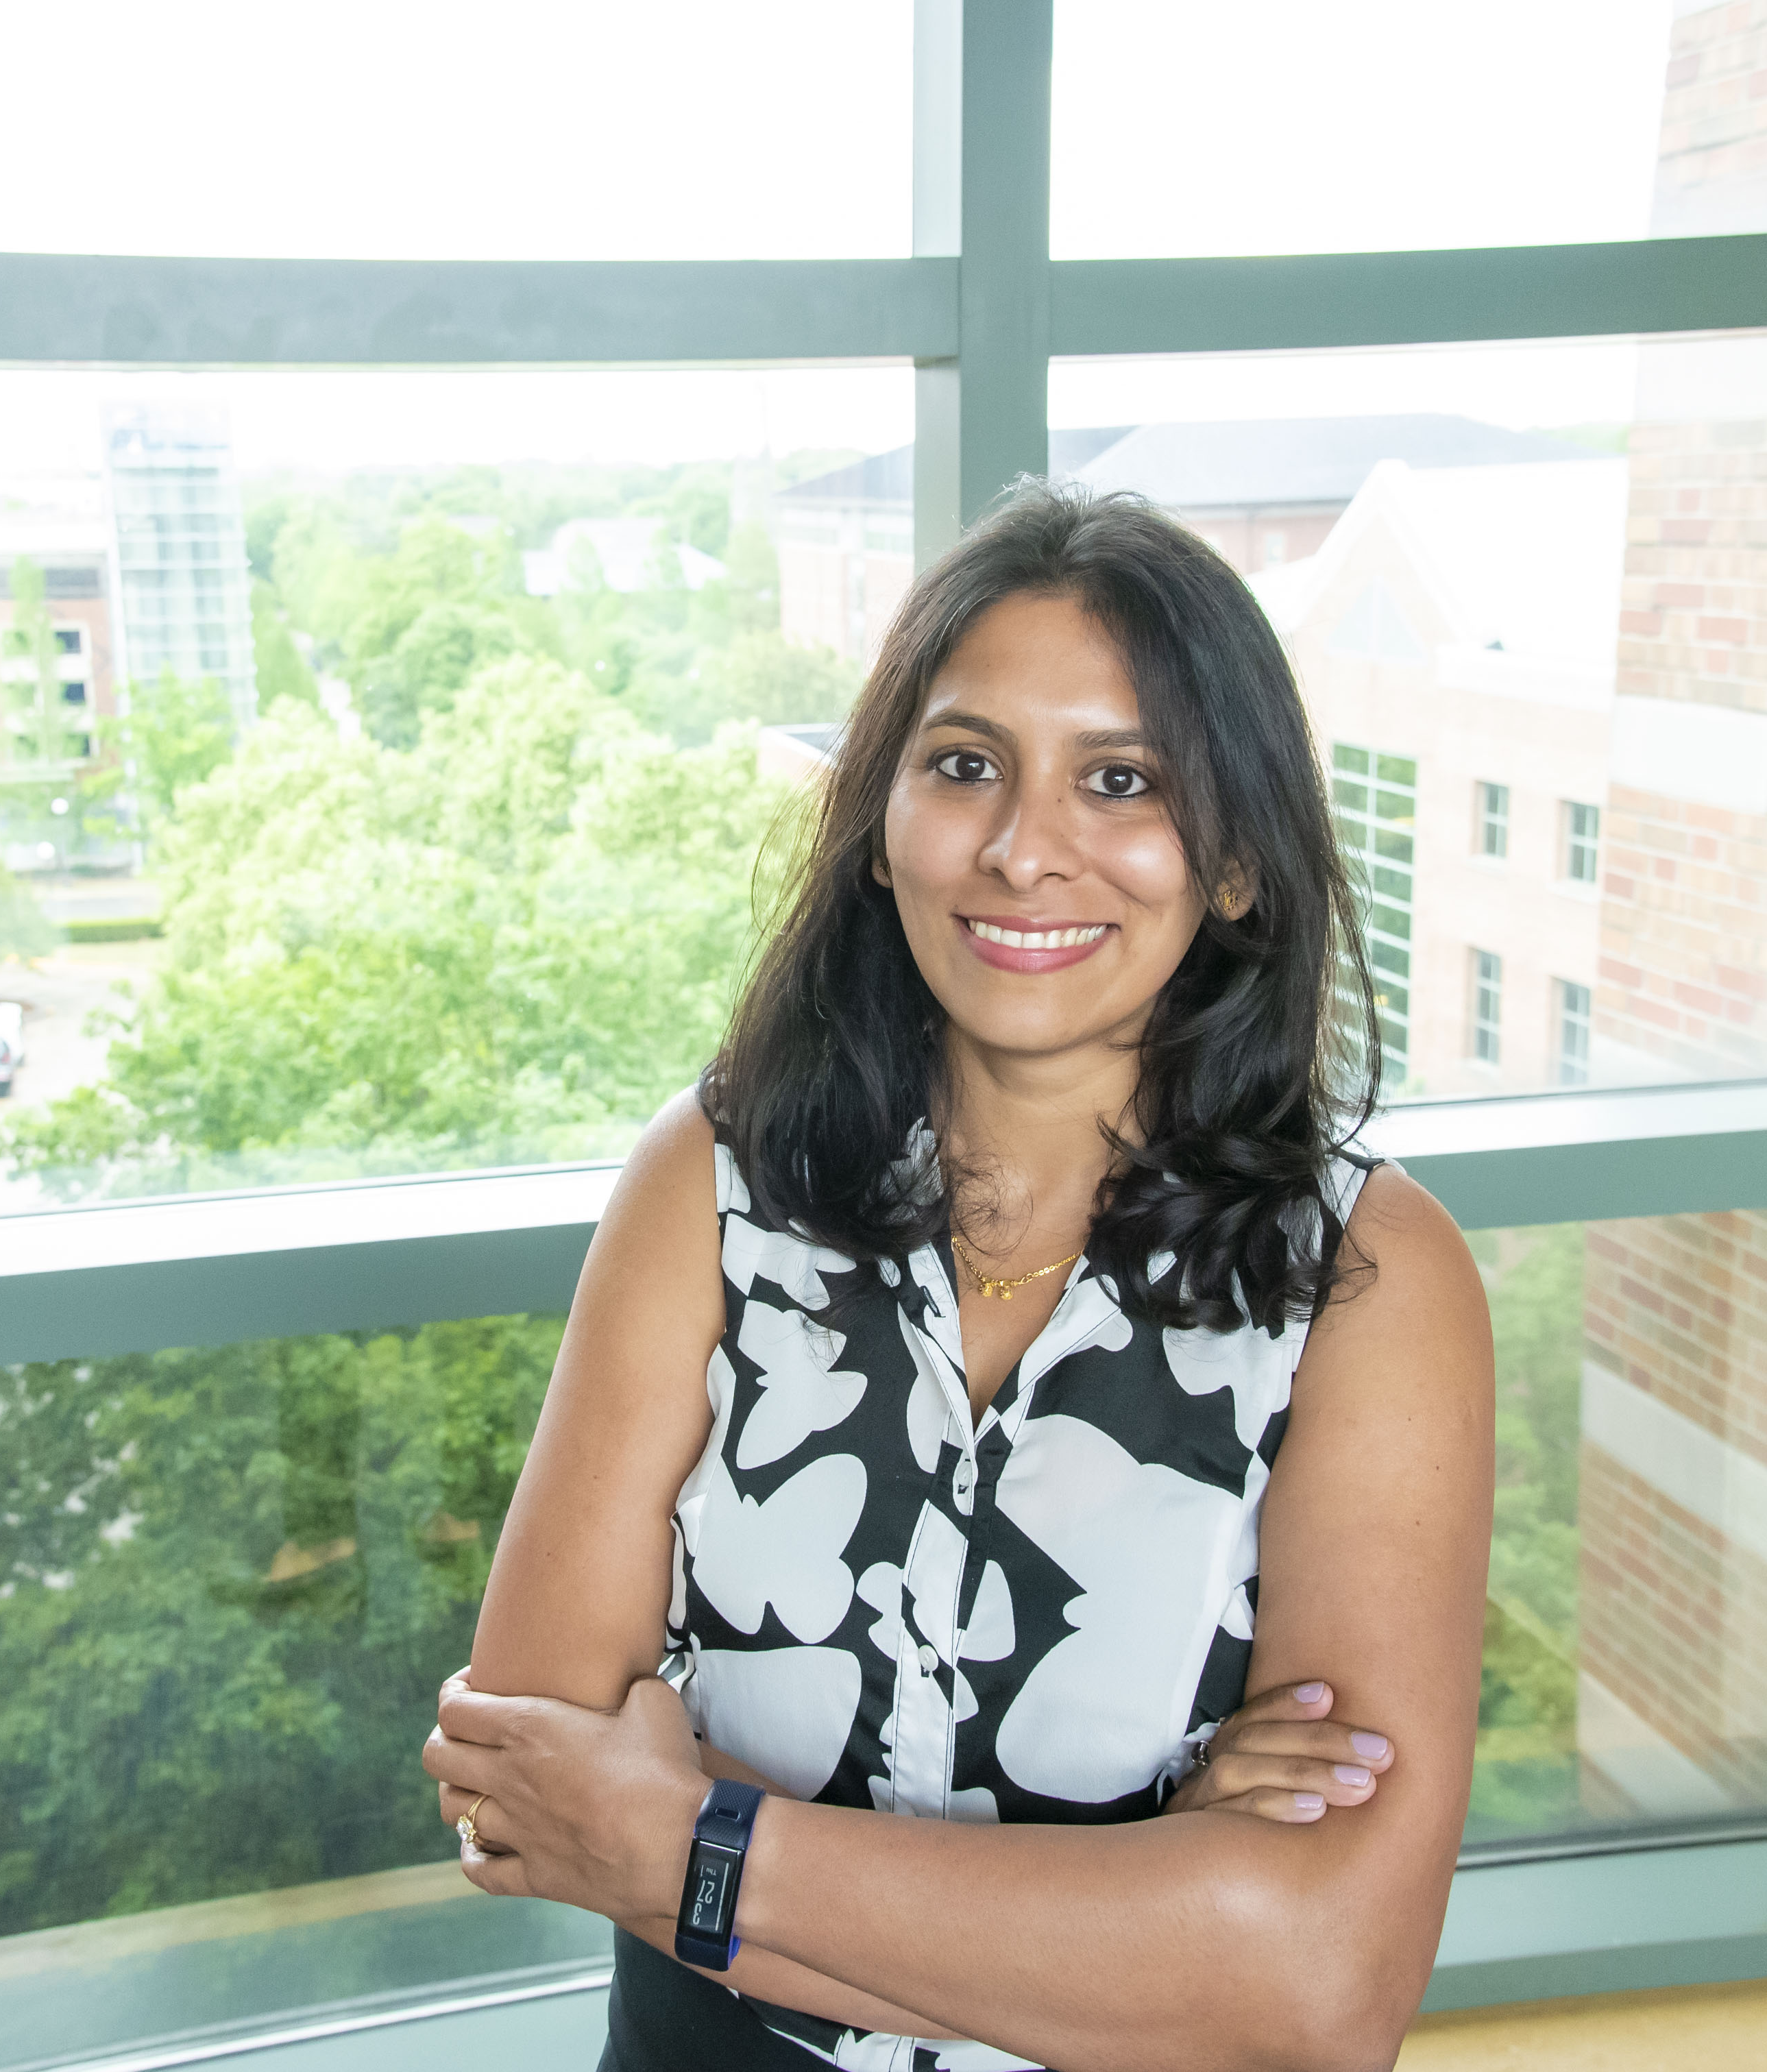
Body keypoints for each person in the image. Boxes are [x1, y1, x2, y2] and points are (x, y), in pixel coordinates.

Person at [420, 484, 1496, 2071]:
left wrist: (687, 1850)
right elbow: (524, 1799)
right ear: (879, 829)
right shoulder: (714, 1185)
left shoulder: (1367, 1283)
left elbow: (1320, 1996)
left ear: (1242, 863)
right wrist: (1146, 1893)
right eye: (965, 764)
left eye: (1120, 780)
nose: (1022, 848)